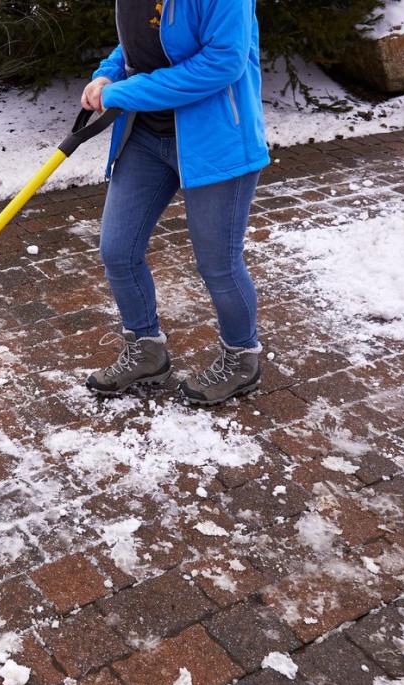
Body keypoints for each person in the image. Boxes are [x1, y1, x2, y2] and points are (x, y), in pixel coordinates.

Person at [80, 0, 269, 406]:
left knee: (218, 264)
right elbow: (137, 44)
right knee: (118, 251)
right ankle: (146, 349)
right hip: (146, 137)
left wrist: (124, 92)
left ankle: (241, 358)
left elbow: (222, 62)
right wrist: (106, 74)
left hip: (216, 138)